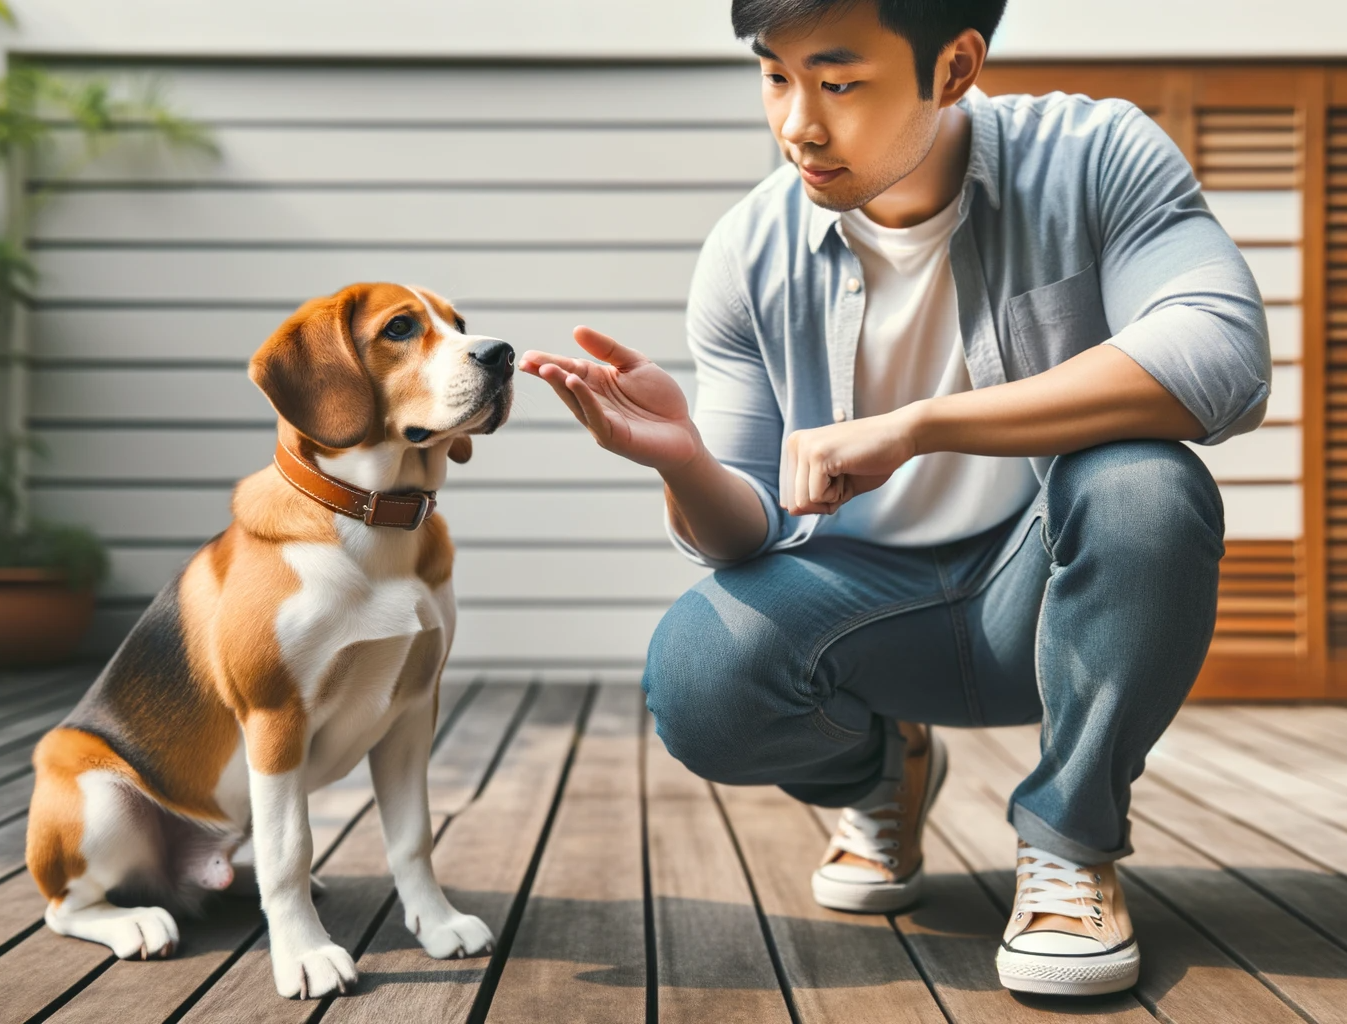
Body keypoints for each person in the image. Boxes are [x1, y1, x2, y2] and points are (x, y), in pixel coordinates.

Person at [519, 0, 1266, 997]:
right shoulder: (748, 250)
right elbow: (744, 532)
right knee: (698, 673)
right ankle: (881, 773)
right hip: (864, 613)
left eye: (837, 83)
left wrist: (920, 422)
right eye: (774, 76)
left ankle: (1070, 842)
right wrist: (683, 461)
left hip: (1041, 596)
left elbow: (1221, 356)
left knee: (1142, 484)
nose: (797, 125)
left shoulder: (1093, 154)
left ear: (953, 67)